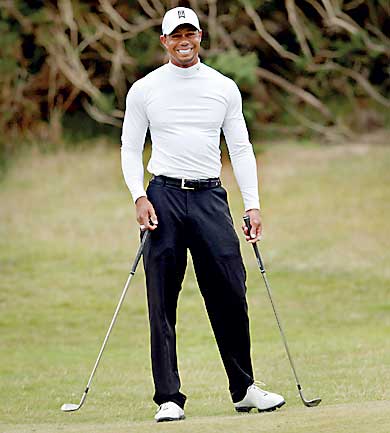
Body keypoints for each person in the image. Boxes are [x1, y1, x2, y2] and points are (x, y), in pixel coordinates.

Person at [121, 6, 285, 423]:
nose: (183, 41)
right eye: (175, 35)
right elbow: (129, 148)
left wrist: (252, 203)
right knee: (161, 297)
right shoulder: (145, 89)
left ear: (200, 36)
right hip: (163, 195)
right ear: (164, 41)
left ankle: (244, 389)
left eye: (190, 33)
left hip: (211, 196)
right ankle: (169, 398)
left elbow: (242, 148)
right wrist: (139, 195)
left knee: (231, 289)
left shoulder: (223, 87)